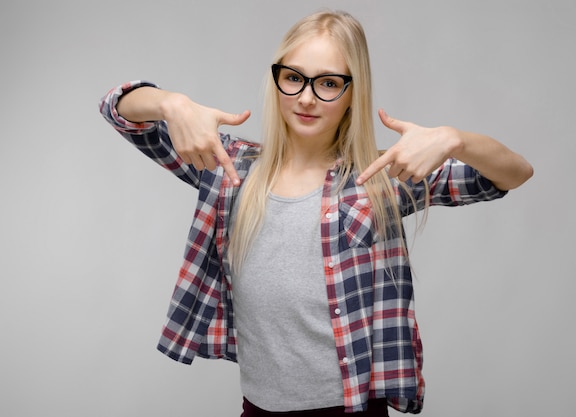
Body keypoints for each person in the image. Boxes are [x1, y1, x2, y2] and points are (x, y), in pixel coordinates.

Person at [99, 10, 533, 417]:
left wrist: (456, 140)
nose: (305, 98)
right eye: (293, 78)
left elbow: (512, 174)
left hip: (350, 409)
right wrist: (172, 104)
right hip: (259, 407)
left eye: (327, 83)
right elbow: (118, 110)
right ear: (277, 81)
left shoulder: (381, 178)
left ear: (352, 93)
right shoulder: (228, 166)